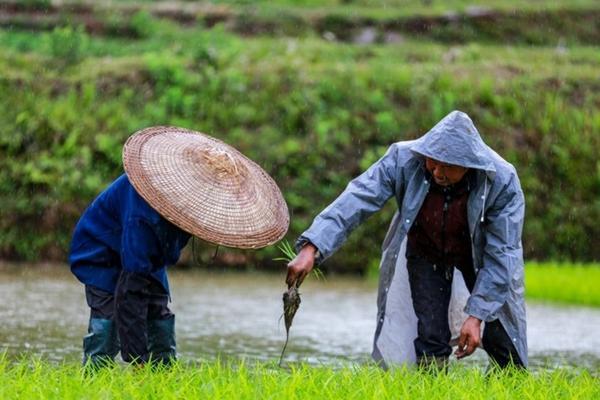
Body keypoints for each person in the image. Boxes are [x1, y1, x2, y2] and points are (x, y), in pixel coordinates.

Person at [286, 110, 527, 369]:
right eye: (433, 162)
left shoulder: (502, 180)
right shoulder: (403, 159)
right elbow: (357, 198)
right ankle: (430, 391)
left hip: (478, 255)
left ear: (469, 165)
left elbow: (502, 254)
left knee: (504, 344)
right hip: (426, 251)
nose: (437, 171)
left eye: (448, 166)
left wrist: (477, 315)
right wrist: (313, 247)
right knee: (430, 336)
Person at [69, 126, 289, 367]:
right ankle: (96, 377)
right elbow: (131, 289)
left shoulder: (186, 207)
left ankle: (164, 373)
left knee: (158, 314)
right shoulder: (144, 217)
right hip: (102, 252)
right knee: (108, 319)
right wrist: (137, 360)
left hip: (146, 253)